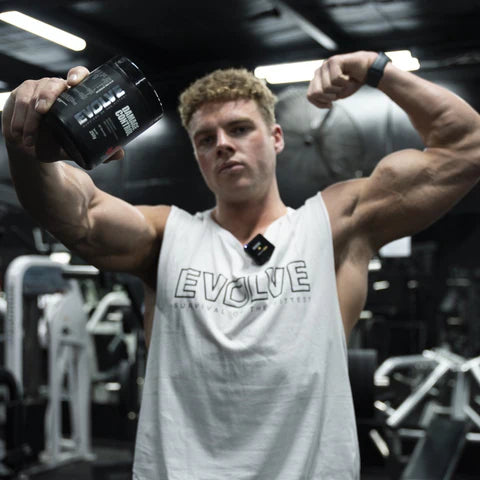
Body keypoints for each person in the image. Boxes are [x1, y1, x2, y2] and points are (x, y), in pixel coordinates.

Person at [2, 50, 480, 479]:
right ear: (197, 155)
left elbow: (467, 148)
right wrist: (28, 147)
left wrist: (377, 69)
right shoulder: (164, 236)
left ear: (276, 137)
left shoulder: (336, 227)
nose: (223, 144)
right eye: (205, 138)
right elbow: (79, 216)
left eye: (239, 129)